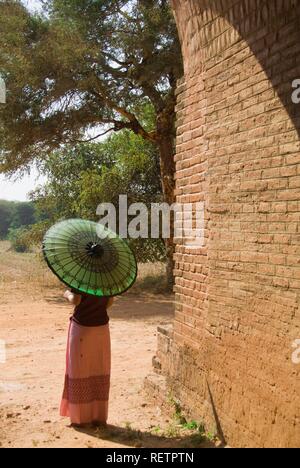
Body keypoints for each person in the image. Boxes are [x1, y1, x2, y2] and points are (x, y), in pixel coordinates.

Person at [60, 289, 114, 428]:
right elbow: (109, 302)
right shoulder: (107, 279)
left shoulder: (82, 277)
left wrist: (66, 293)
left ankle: (81, 418)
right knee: (99, 369)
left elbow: (76, 300)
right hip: (102, 328)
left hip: (82, 327)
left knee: (79, 370)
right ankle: (99, 417)